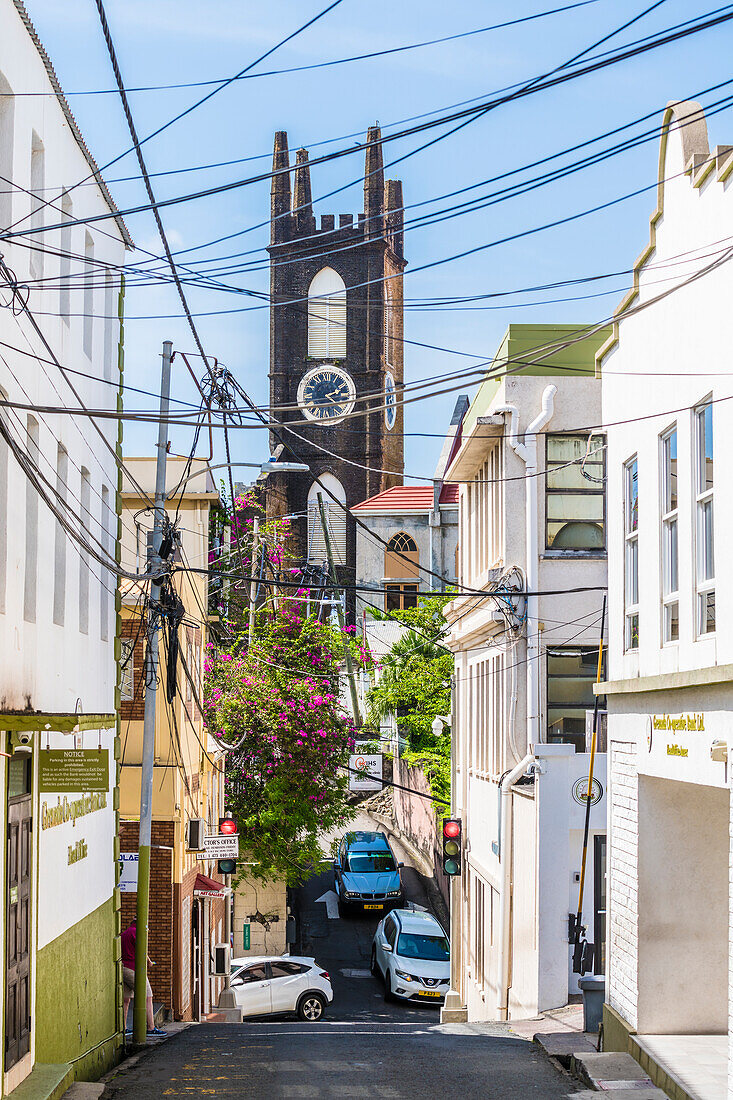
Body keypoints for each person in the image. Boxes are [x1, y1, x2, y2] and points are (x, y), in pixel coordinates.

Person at [121, 920, 166, 1037]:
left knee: (126, 999)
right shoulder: (136, 932)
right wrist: (149, 961)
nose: (148, 930)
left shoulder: (125, 933)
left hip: (123, 968)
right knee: (148, 996)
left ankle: (123, 1028)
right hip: (133, 969)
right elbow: (141, 950)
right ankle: (151, 1028)